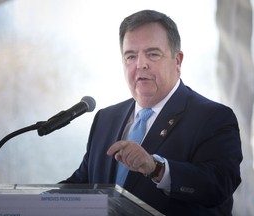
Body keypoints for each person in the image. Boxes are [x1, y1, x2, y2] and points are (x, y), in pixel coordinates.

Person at [60, 10, 242, 215]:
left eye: (153, 54)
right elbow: (84, 184)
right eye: (130, 56)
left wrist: (156, 168)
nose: (140, 64)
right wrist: (33, 203)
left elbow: (218, 186)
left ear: (178, 61)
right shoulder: (106, 118)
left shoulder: (213, 117)